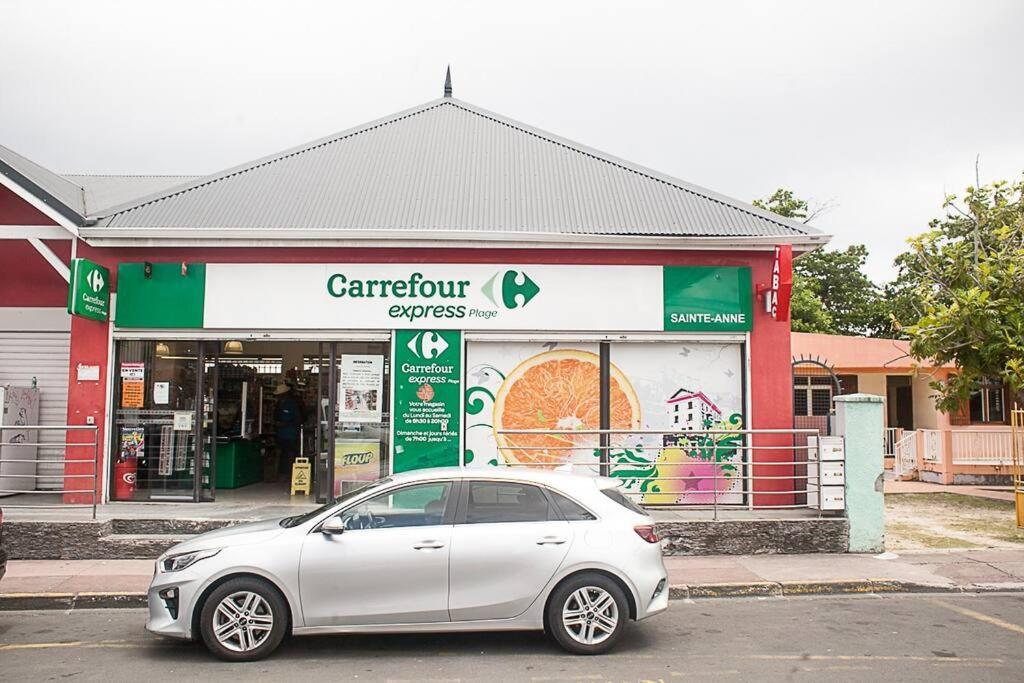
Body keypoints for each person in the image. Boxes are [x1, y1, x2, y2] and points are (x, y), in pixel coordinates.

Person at [273, 382, 304, 475]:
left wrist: (286, 423)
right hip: (280, 433)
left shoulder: (292, 404)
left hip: (290, 434)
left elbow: (298, 419)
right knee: (279, 453)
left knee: (290, 453)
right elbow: (276, 416)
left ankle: (290, 474)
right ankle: (278, 473)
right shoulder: (278, 404)